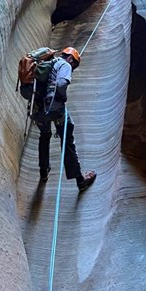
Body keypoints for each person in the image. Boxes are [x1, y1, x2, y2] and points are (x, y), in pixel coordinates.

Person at [32, 47, 97, 193]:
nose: (72, 68)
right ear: (70, 59)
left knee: (44, 136)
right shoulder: (65, 64)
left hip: (38, 110)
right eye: (74, 65)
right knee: (67, 140)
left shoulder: (47, 64)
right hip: (55, 109)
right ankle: (80, 181)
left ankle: (43, 171)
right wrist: (63, 97)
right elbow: (61, 84)